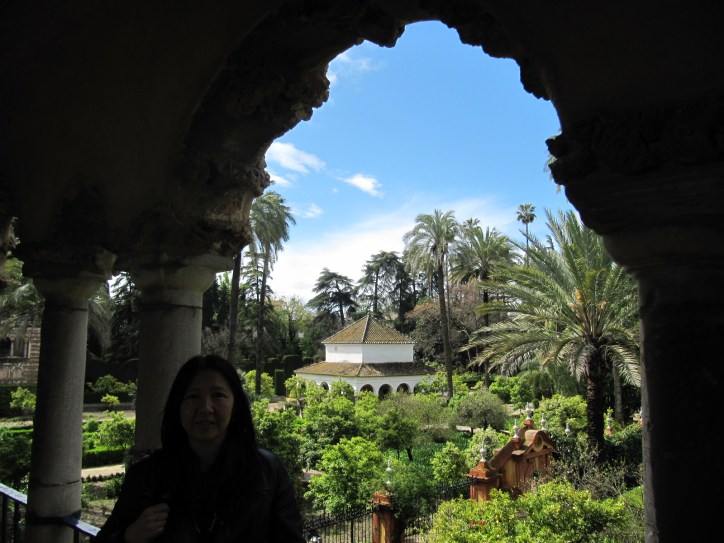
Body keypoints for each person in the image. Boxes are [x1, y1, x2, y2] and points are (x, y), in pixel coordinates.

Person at [96, 354, 305, 543]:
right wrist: (129, 536)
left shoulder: (267, 472)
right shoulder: (147, 477)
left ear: (235, 405)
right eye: (193, 396)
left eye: (218, 395)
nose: (205, 408)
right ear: (178, 406)